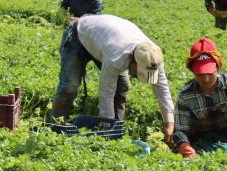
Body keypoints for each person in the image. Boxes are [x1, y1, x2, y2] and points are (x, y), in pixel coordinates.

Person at [51, 13, 175, 142]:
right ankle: (54, 128)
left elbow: (163, 91)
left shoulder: (153, 57)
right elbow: (106, 94)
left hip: (105, 38)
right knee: (69, 88)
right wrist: (106, 128)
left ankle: (117, 131)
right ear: (131, 59)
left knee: (122, 87)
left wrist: (169, 123)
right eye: (139, 72)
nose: (139, 77)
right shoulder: (116, 56)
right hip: (79, 34)